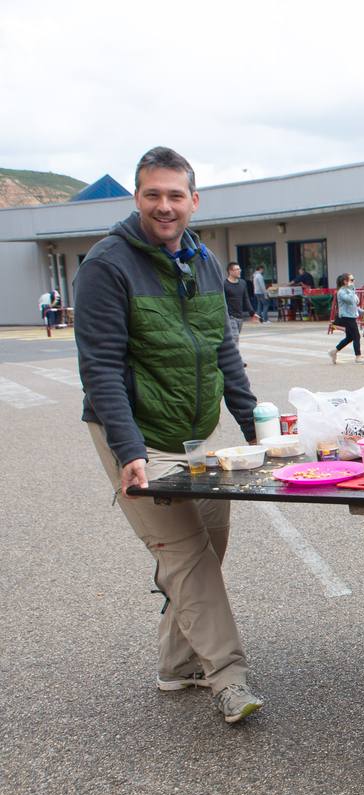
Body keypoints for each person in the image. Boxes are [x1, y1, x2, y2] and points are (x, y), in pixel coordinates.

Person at [74, 146, 264, 724]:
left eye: (175, 195)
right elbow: (101, 366)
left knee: (212, 538)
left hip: (190, 435)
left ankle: (175, 664)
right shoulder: (107, 266)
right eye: (152, 194)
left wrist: (256, 422)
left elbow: (222, 350)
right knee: (187, 555)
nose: (164, 206)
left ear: (193, 200)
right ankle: (227, 676)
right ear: (137, 197)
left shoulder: (204, 263)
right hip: (133, 433)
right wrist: (128, 451)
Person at [328, 272, 364, 364]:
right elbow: (350, 301)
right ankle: (358, 357)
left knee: (350, 337)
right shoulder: (341, 292)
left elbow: (354, 304)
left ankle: (334, 351)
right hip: (346, 317)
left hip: (351, 316)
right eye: (351, 280)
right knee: (356, 336)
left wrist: (361, 311)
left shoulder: (350, 291)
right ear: (345, 282)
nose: (353, 281)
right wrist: (352, 290)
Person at [223, 262, 257, 342]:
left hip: (240, 317)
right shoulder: (224, 284)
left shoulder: (242, 283)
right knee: (235, 337)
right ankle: (235, 354)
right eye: (237, 269)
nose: (240, 271)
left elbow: (246, 298)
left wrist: (252, 313)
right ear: (230, 271)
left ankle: (229, 352)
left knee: (234, 338)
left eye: (239, 269)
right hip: (229, 316)